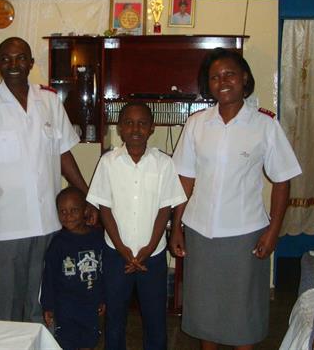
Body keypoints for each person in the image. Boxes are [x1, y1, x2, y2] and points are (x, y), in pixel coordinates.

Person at [169, 48, 302, 350]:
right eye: (215, 77)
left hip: (245, 234)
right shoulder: (197, 124)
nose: (222, 81)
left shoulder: (265, 126)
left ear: (244, 78)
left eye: (229, 74)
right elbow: (185, 179)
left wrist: (273, 231)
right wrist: (176, 226)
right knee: (207, 311)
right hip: (200, 231)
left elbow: (282, 180)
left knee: (242, 314)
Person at [0, 37, 94, 322]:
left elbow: (63, 156)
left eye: (21, 58)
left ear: (31, 63)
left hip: (48, 224)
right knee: (5, 306)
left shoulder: (48, 101)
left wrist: (87, 197)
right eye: (6, 59)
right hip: (6, 227)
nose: (13, 64)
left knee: (43, 301)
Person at [87, 102, 187, 350]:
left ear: (152, 128)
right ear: (120, 128)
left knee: (155, 320)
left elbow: (165, 209)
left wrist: (150, 246)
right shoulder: (108, 162)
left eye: (142, 123)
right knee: (115, 319)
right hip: (115, 255)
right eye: (129, 123)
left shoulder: (164, 164)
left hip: (151, 257)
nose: (135, 129)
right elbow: (105, 208)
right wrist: (121, 248)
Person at [41, 187, 105, 350]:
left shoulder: (98, 238)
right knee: (66, 341)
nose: (68, 216)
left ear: (85, 210)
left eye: (74, 210)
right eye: (62, 211)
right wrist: (48, 305)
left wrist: (103, 297)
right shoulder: (58, 244)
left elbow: (104, 271)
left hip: (90, 304)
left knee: (88, 340)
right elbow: (49, 276)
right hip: (65, 306)